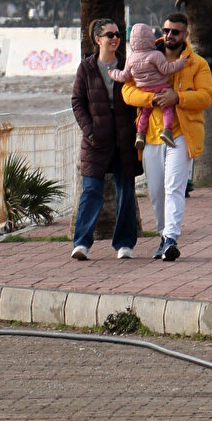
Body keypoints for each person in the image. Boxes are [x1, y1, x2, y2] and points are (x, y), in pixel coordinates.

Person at [122, 12, 212, 262]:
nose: (169, 35)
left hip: (181, 133)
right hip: (150, 135)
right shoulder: (144, 57)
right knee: (156, 190)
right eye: (166, 30)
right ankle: (163, 235)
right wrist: (151, 98)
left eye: (175, 31)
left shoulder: (197, 64)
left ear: (186, 34)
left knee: (174, 186)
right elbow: (127, 91)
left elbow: (207, 96)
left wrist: (179, 97)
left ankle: (171, 238)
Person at [70, 16, 140, 260]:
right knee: (91, 191)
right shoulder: (86, 68)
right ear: (97, 39)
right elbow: (77, 102)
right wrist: (89, 130)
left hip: (124, 140)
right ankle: (81, 244)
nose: (115, 38)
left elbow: (138, 97)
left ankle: (124, 244)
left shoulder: (128, 65)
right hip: (95, 141)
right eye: (110, 34)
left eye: (118, 34)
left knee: (126, 192)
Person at [112, 23, 180, 148]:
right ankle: (167, 131)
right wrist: (179, 63)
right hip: (161, 87)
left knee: (144, 113)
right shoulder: (156, 55)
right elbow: (166, 69)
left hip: (144, 89)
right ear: (150, 38)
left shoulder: (131, 59)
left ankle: (140, 134)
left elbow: (124, 76)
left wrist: (114, 73)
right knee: (168, 109)